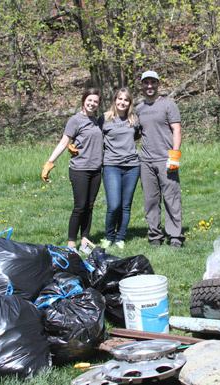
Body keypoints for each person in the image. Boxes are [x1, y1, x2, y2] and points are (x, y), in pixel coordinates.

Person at [42, 88, 103, 254]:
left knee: (89, 207)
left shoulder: (97, 120)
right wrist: (49, 162)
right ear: (83, 100)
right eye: (89, 100)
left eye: (95, 101)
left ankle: (84, 241)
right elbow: (63, 142)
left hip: (96, 170)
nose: (92, 104)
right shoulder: (75, 120)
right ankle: (71, 244)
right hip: (80, 169)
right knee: (79, 207)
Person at [135, 70, 184, 248]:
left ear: (158, 84)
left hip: (166, 159)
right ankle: (155, 235)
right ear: (142, 85)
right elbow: (135, 134)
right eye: (146, 82)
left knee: (171, 198)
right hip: (145, 161)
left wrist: (174, 155)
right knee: (150, 200)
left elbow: (176, 130)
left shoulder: (168, 105)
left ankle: (175, 236)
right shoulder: (139, 109)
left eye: (152, 82)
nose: (149, 86)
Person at [98, 88, 141, 249]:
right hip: (111, 165)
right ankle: (109, 236)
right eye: (120, 99)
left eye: (126, 100)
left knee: (125, 205)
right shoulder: (104, 119)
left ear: (129, 103)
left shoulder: (134, 120)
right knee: (114, 205)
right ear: (115, 100)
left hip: (132, 166)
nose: (122, 102)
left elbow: (138, 135)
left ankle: (120, 237)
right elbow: (94, 137)